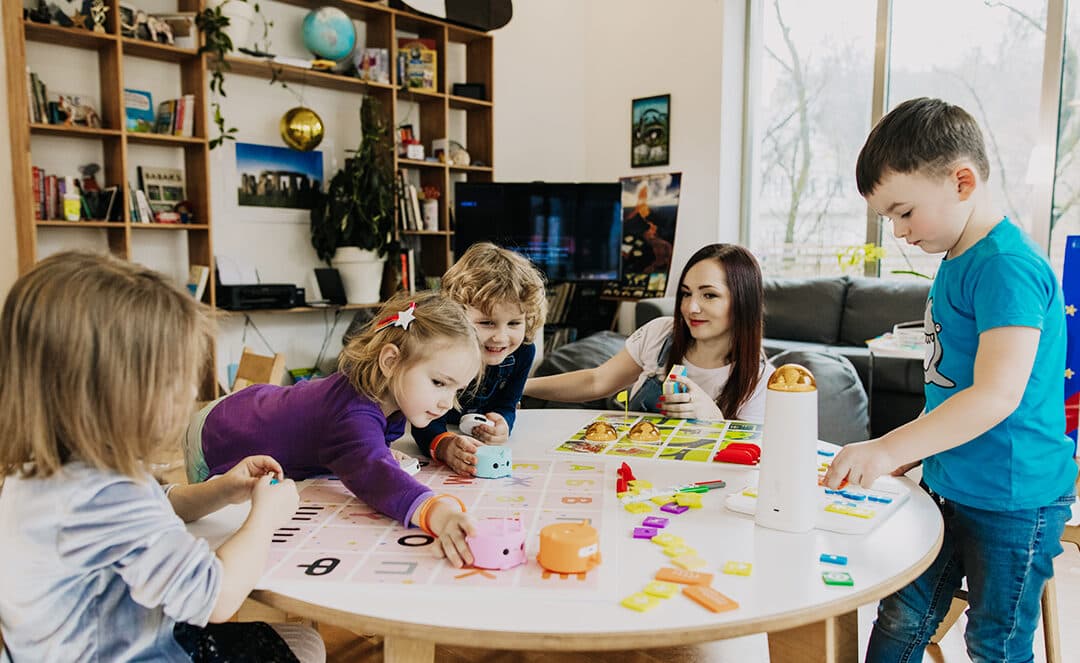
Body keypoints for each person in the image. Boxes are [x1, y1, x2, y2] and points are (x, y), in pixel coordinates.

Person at [825, 97, 1076, 662]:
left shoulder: (1005, 266)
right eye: (888, 218)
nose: (898, 231)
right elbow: (951, 391)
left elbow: (995, 395)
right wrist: (909, 455)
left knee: (995, 641)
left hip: (1014, 499)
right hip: (952, 482)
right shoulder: (957, 257)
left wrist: (889, 447)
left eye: (904, 212)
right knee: (902, 615)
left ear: (962, 181)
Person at [0, 251, 324, 662]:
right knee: (304, 645)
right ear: (113, 392)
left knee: (297, 641)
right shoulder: (108, 494)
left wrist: (218, 491)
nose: (190, 392)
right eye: (174, 379)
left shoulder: (38, 473)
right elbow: (218, 597)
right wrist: (267, 517)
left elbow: (157, 506)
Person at [186, 290, 483, 567]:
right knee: (216, 535)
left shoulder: (385, 391)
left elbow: (366, 449)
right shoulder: (352, 416)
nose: (448, 403)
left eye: (456, 390)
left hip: (247, 408)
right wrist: (439, 514)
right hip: (216, 438)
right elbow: (377, 477)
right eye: (439, 383)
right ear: (390, 361)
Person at [524, 243, 773, 422]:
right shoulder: (661, 332)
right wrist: (520, 385)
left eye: (709, 295)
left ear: (743, 302)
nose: (691, 307)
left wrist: (714, 420)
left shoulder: (761, 380)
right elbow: (597, 381)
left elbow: (748, 466)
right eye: (686, 293)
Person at [412, 242, 547, 476]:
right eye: (487, 323)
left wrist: (503, 424)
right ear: (456, 314)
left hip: (476, 438)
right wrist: (443, 444)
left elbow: (507, 404)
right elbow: (422, 419)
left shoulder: (523, 352)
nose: (501, 337)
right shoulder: (442, 352)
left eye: (514, 323)